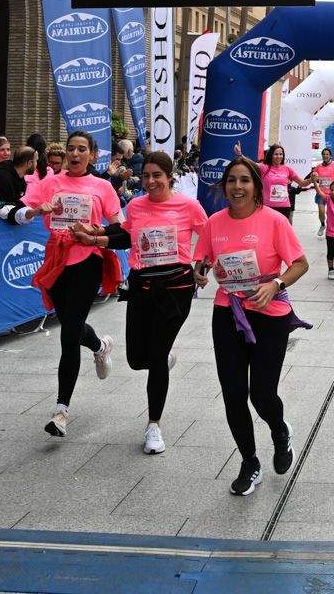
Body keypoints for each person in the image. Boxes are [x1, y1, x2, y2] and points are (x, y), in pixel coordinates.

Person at [195, 156, 311, 496]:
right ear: (224, 186)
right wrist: (199, 273)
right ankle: (249, 461)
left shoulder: (274, 221)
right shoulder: (214, 223)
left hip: (268, 314)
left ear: (256, 187)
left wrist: (275, 284)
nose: (237, 187)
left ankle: (279, 429)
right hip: (227, 311)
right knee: (233, 394)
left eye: (245, 180)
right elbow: (201, 262)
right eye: (231, 180)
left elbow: (300, 264)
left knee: (261, 394)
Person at [18, 131, 123, 437]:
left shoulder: (102, 186)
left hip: (88, 260)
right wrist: (37, 211)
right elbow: (21, 213)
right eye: (71, 149)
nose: (75, 154)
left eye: (82, 149)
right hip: (56, 260)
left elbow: (118, 228)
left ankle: (61, 411)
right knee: (69, 324)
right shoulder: (50, 183)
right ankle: (100, 345)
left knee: (68, 334)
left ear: (92, 154)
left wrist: (96, 229)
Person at [108, 151, 209, 456]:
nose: (150, 181)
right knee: (138, 360)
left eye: (157, 176)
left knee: (157, 353)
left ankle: (154, 425)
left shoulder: (188, 205)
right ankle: (160, 359)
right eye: (147, 175)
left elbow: (209, 236)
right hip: (141, 286)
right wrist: (95, 237)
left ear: (170, 177)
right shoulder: (136, 206)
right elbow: (125, 236)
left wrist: (200, 267)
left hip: (175, 288)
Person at [309, 147, 334, 233]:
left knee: (332, 213)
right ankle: (323, 224)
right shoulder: (318, 167)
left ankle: (332, 227)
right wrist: (301, 184)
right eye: (323, 154)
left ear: (330, 156)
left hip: (333, 194)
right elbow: (311, 175)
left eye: (327, 154)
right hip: (321, 193)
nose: (325, 156)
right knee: (321, 211)